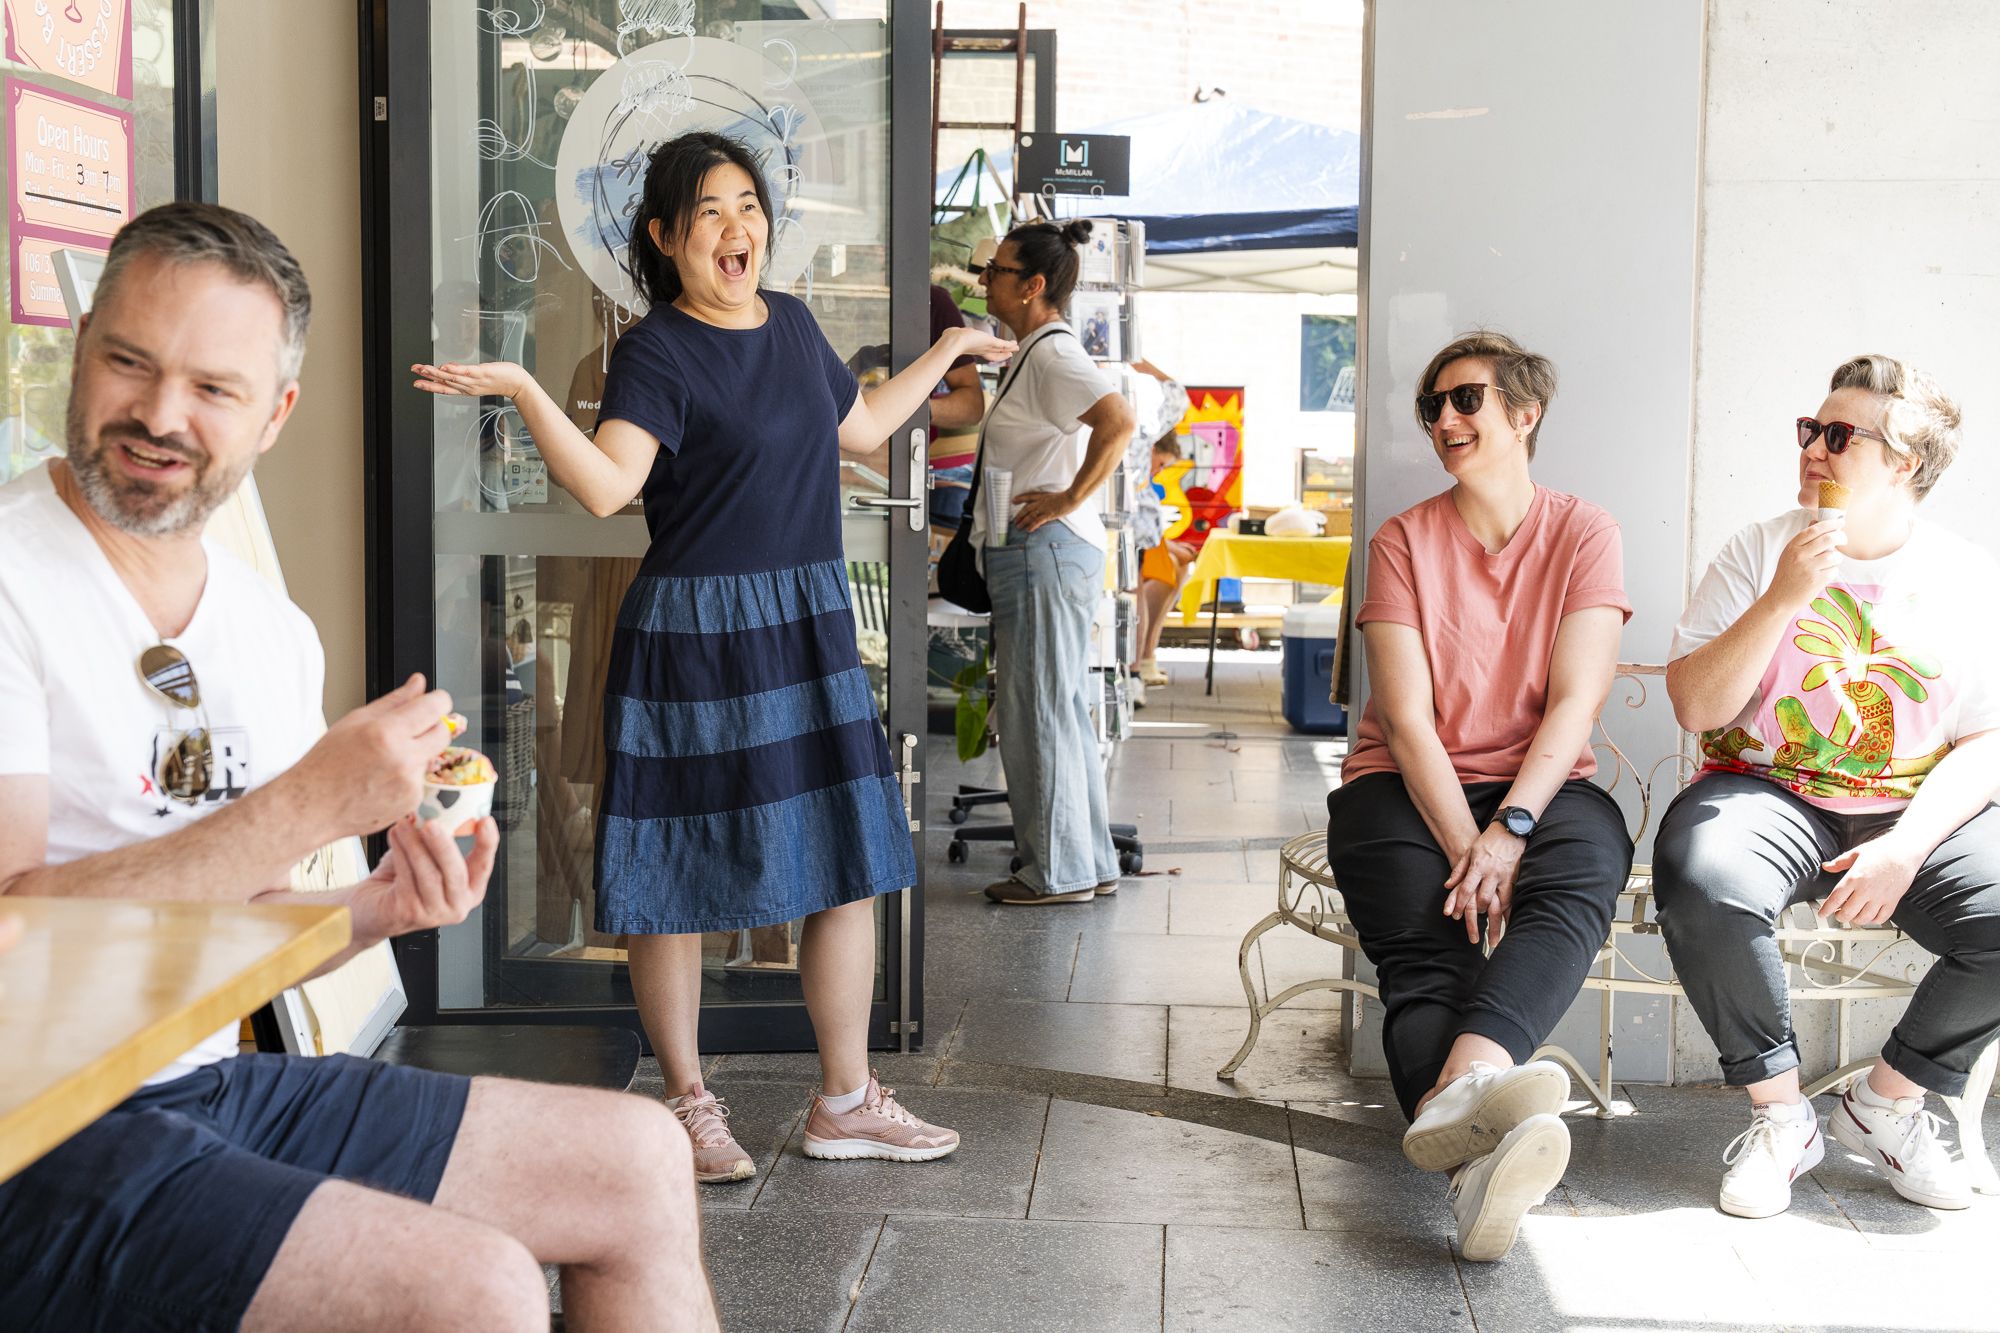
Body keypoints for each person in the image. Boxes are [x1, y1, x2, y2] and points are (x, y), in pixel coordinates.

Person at [0, 202, 717, 1331]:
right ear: (81, 350)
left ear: (274, 413)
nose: (157, 415)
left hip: (189, 1086)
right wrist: (305, 802)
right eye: (128, 362)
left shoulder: (265, 626)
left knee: (636, 1156)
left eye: (213, 389)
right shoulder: (9, 576)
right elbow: (14, 934)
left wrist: (372, 909)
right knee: (469, 1288)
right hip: (30, 1133)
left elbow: (229, 919)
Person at [414, 131, 1013, 1183]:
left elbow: (864, 428)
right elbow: (606, 487)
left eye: (748, 205)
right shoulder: (656, 352)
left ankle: (844, 1099)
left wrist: (949, 349)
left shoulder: (789, 324)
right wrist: (521, 386)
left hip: (805, 623)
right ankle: (688, 1103)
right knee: (675, 874)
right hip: (693, 637)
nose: (737, 229)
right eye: (709, 213)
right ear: (664, 237)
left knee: (846, 863)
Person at [1654, 355, 2000, 1219]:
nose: (1812, 446)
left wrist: (1908, 848)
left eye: (1838, 434)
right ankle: (1783, 1119)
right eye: (1809, 428)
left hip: (1909, 806)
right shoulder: (1761, 547)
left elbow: (1989, 739)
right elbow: (1698, 706)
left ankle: (1888, 1102)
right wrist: (1781, 599)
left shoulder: (1967, 575)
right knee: (1703, 878)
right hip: (1768, 790)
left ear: (1904, 461)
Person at [1323, 331, 1632, 1262]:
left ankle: (1468, 1112)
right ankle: (1480, 1155)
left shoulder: (1584, 532)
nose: (1445, 420)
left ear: (1525, 412)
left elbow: (1577, 700)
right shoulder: (1402, 541)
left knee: (1579, 875)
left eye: (1466, 400)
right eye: (1433, 408)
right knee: (1429, 945)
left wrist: (1513, 831)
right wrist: (1474, 845)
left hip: (1539, 783)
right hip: (1404, 782)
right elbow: (1408, 721)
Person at [967, 220, 1137, 905]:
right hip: (1044, 553)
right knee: (1054, 707)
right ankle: (1083, 861)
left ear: (1033, 287)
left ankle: (1054, 871)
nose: (984, 281)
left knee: (1037, 708)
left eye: (997, 272)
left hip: (1045, 550)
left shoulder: (1051, 355)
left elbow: (1118, 420)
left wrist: (1069, 495)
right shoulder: (1034, 352)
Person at [1131, 432, 1199, 688]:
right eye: (1160, 464)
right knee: (1171, 573)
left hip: (1146, 546)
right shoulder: (1139, 478)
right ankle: (1145, 656)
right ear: (1151, 450)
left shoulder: (1141, 479)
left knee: (1177, 568)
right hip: (1142, 547)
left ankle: (1148, 654)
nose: (1159, 471)